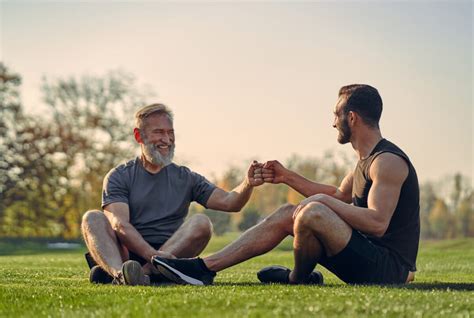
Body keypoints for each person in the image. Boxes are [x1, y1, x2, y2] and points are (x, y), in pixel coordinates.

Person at [152, 84, 420, 286]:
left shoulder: (386, 162)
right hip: (367, 258)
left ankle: (296, 277)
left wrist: (320, 204)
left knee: (314, 212)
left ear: (352, 118)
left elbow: (377, 222)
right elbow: (338, 195)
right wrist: (287, 176)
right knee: (286, 213)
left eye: (336, 115)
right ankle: (203, 268)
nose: (333, 122)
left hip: (388, 269)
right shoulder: (364, 162)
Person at [81, 103, 264, 285]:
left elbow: (230, 202)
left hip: (171, 254)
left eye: (170, 133)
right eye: (159, 132)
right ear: (139, 136)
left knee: (202, 223)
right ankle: (120, 274)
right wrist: (150, 255)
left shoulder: (186, 177)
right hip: (126, 254)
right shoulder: (119, 175)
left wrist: (247, 183)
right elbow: (120, 225)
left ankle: (140, 274)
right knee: (92, 218)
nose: (167, 139)